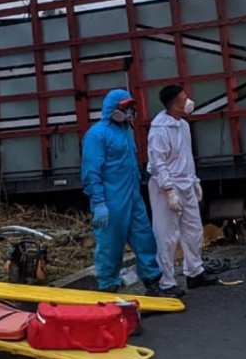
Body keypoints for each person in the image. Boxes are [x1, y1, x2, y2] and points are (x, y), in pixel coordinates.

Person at [81, 88, 164, 295]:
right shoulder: (97, 134)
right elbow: (92, 171)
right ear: (113, 108)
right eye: (125, 107)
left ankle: (152, 283)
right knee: (110, 246)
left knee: (144, 238)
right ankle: (109, 288)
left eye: (130, 107)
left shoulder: (126, 131)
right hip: (110, 201)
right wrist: (99, 202)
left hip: (132, 197)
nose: (129, 111)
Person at [147, 85, 219, 294]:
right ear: (175, 105)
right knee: (167, 235)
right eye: (184, 99)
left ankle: (194, 272)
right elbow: (158, 163)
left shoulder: (182, 126)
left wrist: (194, 180)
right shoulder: (159, 129)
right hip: (166, 188)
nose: (188, 102)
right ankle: (166, 282)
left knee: (194, 230)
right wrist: (169, 191)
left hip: (185, 184)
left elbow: (187, 157)